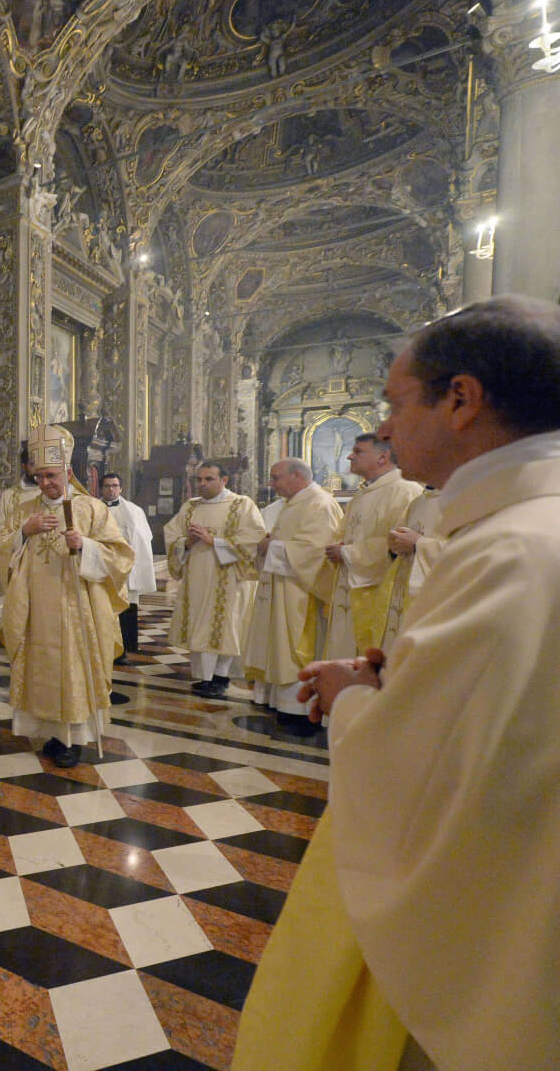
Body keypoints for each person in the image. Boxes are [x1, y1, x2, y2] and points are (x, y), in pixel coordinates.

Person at [234, 295, 560, 1070]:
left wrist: (352, 698)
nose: (381, 428)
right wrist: (399, 679)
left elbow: (427, 766)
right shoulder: (520, 527)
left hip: (480, 926)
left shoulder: (512, 550)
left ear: (460, 399)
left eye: (394, 403)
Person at [0, 425, 132, 768]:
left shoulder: (92, 509)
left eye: (50, 475)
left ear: (67, 473)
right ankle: (52, 733)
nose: (44, 483)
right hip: (36, 608)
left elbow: (121, 555)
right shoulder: (24, 510)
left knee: (73, 671)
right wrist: (24, 532)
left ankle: (73, 739)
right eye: (38, 476)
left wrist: (86, 547)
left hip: (77, 607)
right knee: (41, 670)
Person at [240, 458, 342, 736]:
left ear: (298, 476)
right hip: (282, 587)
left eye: (276, 477)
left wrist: (271, 546)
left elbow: (315, 550)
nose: (270, 483)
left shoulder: (319, 504)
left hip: (301, 594)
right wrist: (269, 545)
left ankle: (299, 708)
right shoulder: (293, 503)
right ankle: (280, 702)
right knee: (278, 644)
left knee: (296, 646)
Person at [305, 433, 420, 660]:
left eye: (358, 451)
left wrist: (348, 553)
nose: (349, 457)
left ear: (383, 457)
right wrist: (339, 546)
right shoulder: (362, 493)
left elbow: (398, 544)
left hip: (375, 590)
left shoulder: (405, 489)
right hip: (349, 585)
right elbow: (346, 533)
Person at [163, 461, 266, 698]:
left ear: (224, 480)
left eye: (208, 479)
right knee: (199, 627)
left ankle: (221, 676)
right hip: (196, 580)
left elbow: (254, 539)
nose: (202, 484)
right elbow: (172, 536)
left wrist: (214, 541)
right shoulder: (190, 507)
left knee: (225, 627)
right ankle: (205, 677)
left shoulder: (242, 505)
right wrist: (186, 543)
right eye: (199, 479)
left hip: (228, 579)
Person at [377, 484, 442, 653]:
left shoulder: (463, 500)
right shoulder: (418, 502)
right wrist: (395, 546)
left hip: (432, 602)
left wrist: (419, 544)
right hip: (403, 593)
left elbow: (468, 551)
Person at [100, 471, 154, 662]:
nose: (111, 490)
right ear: (101, 489)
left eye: (115, 486)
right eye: (107, 486)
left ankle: (124, 649)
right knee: (103, 609)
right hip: (102, 567)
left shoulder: (134, 511)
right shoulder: (92, 508)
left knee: (126, 609)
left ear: (121, 488)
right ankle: (103, 648)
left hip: (126, 569)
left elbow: (144, 538)